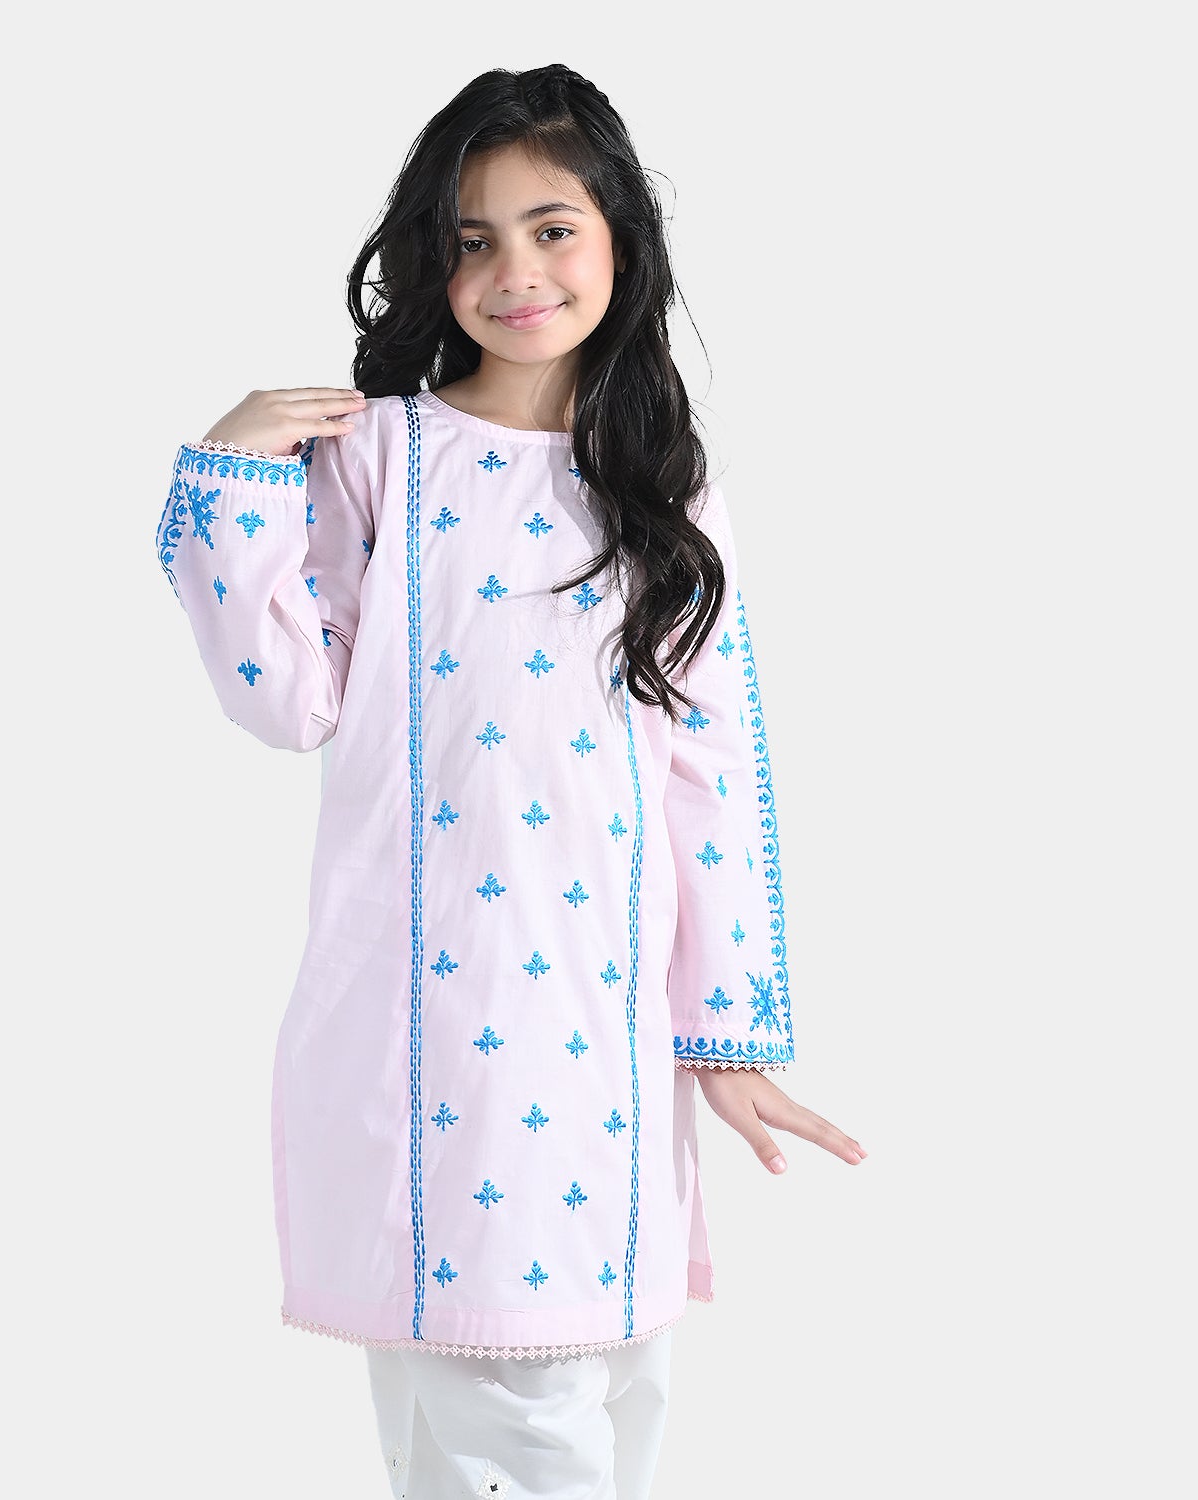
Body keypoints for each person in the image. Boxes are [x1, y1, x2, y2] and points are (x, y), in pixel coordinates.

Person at [155, 61, 865, 1500]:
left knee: (609, 1392)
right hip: (432, 1031)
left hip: (612, 1041)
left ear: (619, 241)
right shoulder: (381, 458)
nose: (515, 272)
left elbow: (712, 773)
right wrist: (231, 479)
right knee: (506, 1408)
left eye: (552, 229)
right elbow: (288, 700)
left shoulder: (662, 488)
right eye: (473, 239)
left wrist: (725, 1035)